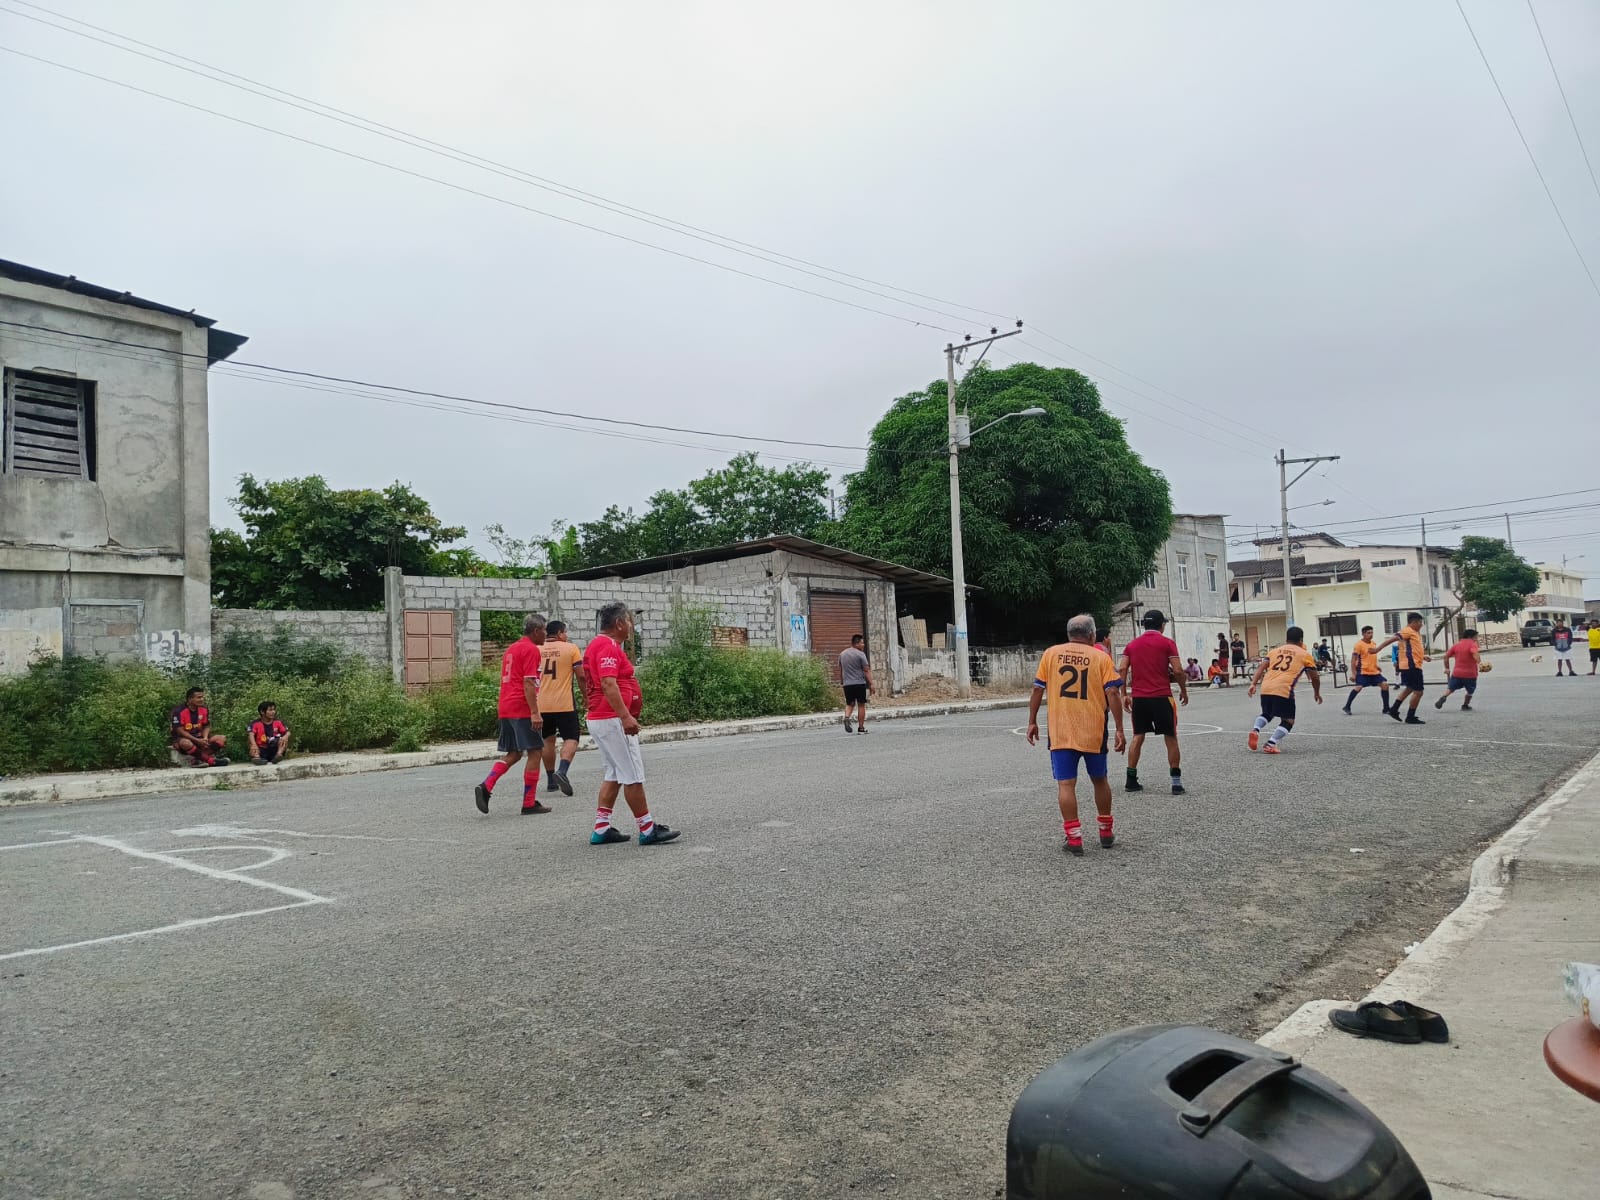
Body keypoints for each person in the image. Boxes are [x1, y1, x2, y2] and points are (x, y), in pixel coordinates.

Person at [1027, 612, 1127, 856]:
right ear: (1092, 635)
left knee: (1066, 784)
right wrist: (1119, 728)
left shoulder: (1051, 654)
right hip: (1093, 729)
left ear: (1069, 634)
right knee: (1100, 779)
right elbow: (1113, 693)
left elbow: (1038, 689)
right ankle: (1105, 832)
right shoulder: (1101, 657)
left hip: (1061, 730)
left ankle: (1074, 838)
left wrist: (1032, 721)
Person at [584, 602, 681, 846]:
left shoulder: (598, 645)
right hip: (612, 720)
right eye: (629, 621)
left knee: (614, 773)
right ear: (618, 623)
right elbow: (608, 683)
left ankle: (601, 828)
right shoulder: (607, 646)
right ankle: (647, 829)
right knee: (632, 775)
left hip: (601, 718)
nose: (631, 626)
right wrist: (625, 716)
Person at [474, 613, 547, 816]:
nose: (546, 634)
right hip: (521, 707)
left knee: (514, 753)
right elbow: (528, 682)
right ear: (536, 631)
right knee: (535, 751)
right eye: (544, 630)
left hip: (506, 706)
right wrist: (535, 712)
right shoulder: (531, 649)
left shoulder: (512, 648)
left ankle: (487, 785)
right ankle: (529, 802)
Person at [1117, 608, 1187, 796]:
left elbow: (1122, 669)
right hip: (1162, 696)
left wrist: (1124, 694)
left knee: (1138, 736)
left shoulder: (1131, 645)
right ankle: (1176, 782)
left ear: (1144, 625)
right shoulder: (1167, 643)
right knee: (1170, 737)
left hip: (1139, 697)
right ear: (1162, 625)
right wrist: (1183, 690)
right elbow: (1178, 670)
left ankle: (1131, 779)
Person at [1247, 627, 1322, 753]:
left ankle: (1255, 730)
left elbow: (1261, 668)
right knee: (1288, 720)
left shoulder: (1274, 651)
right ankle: (1270, 744)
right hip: (1284, 689)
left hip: (1266, 687)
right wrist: (1317, 692)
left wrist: (1253, 684)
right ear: (1301, 640)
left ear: (1286, 639)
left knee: (1267, 713)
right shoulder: (1304, 654)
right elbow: (1315, 677)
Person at [538, 619, 586, 796]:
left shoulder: (536, 649)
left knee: (547, 740)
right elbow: (581, 676)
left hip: (541, 704)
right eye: (565, 632)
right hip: (564, 704)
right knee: (571, 738)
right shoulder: (571, 649)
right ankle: (562, 771)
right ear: (559, 633)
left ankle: (551, 781)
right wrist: (586, 696)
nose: (566, 635)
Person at [1377, 612, 1430, 725]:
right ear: (1414, 622)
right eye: (1420, 622)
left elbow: (1411, 650)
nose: (1421, 625)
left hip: (1410, 665)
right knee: (1418, 692)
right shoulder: (1407, 631)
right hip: (1411, 666)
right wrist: (1378, 649)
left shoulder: (1414, 633)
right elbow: (1392, 639)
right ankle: (1410, 717)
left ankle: (1394, 709)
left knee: (1409, 688)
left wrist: (1423, 656)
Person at [171, 687, 229, 767]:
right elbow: (180, 731)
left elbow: (206, 726)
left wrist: (205, 738)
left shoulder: (203, 709)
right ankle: (211, 761)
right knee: (185, 743)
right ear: (190, 699)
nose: (202, 699)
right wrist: (197, 740)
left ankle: (198, 760)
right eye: (199, 697)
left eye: (202, 697)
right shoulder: (179, 711)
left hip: (200, 738)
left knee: (222, 738)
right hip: (184, 740)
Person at [1342, 625, 1391, 716]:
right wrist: (1353, 674)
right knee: (1358, 687)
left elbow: (1370, 657)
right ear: (1363, 634)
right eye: (1368, 633)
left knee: (1385, 685)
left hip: (1374, 672)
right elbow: (1353, 660)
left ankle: (1386, 708)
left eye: (1372, 632)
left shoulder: (1373, 643)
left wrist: (1376, 666)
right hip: (1363, 671)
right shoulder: (1358, 645)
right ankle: (1347, 706)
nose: (1371, 634)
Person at [1435, 629, 1482, 713]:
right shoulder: (1472, 644)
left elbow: (1446, 656)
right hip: (1470, 674)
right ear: (1470, 637)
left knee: (1451, 688)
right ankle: (1465, 705)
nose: (1476, 639)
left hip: (1457, 673)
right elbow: (1474, 653)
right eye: (1475, 637)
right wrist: (1479, 662)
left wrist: (1447, 668)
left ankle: (1444, 697)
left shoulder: (1456, 645)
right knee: (1470, 691)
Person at [840, 634, 875, 734]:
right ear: (857, 643)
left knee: (850, 704)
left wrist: (842, 682)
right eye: (862, 643)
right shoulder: (860, 654)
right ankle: (861, 728)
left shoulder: (842, 654)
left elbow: (841, 670)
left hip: (847, 684)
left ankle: (847, 717)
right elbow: (866, 670)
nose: (863, 645)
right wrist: (871, 684)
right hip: (859, 683)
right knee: (861, 705)